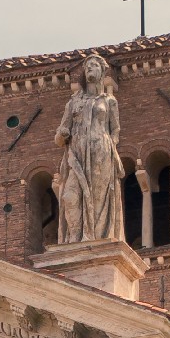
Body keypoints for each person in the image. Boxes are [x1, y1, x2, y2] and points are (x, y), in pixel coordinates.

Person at [54, 53, 123, 245]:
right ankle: (75, 240)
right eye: (87, 67)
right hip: (75, 155)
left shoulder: (109, 102)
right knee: (69, 196)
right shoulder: (74, 102)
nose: (90, 69)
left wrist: (107, 148)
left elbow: (115, 131)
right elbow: (59, 138)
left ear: (102, 72)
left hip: (101, 154)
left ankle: (96, 238)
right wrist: (63, 134)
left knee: (98, 199)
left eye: (94, 65)